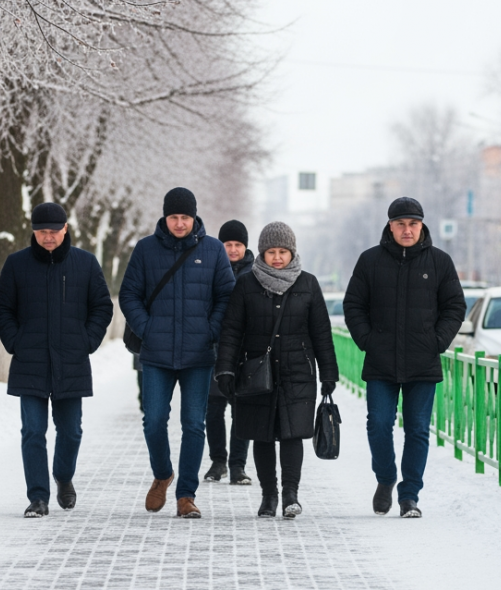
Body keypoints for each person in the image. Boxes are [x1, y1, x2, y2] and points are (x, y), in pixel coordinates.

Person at [342, 197, 465, 519]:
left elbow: (455, 307)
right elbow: (353, 304)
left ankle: (409, 495)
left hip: (423, 362)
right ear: (390, 226)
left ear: (422, 225)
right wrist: (367, 340)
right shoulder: (370, 261)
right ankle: (385, 479)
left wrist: (437, 341)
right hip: (381, 362)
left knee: (418, 429)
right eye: (400, 224)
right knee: (379, 424)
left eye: (413, 224)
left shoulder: (439, 262)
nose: (407, 230)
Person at [0, 203, 114, 518]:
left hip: (71, 361)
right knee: (33, 430)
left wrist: (87, 341)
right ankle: (37, 497)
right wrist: (15, 341)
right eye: (42, 231)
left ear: (66, 229)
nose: (48, 237)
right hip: (30, 361)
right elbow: (1, 307)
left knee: (71, 430)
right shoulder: (17, 264)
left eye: (54, 231)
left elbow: (102, 306)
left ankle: (63, 475)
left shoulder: (85, 264)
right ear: (33, 231)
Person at [119, 187, 235, 518]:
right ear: (165, 217)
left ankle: (186, 495)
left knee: (193, 424)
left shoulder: (213, 250)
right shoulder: (145, 249)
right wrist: (148, 329)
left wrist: (210, 331)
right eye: (174, 217)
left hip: (199, 355)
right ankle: (162, 474)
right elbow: (129, 295)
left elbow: (227, 295)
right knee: (153, 420)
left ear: (194, 217)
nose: (180, 223)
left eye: (185, 217)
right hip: (156, 354)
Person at [216, 222, 337, 518]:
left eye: (283, 251)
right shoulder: (247, 283)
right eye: (272, 252)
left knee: (294, 434)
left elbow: (321, 331)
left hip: (298, 371)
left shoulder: (307, 283)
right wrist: (226, 370)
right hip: (258, 373)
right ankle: (268, 496)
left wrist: (329, 373)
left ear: (292, 252)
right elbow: (232, 330)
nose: (278, 257)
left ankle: (291, 495)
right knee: (262, 435)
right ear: (262, 252)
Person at [204, 219, 255, 486]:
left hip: (245, 353)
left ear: (245, 246)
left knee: (241, 411)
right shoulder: (209, 269)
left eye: (237, 244)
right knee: (212, 410)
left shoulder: (256, 273)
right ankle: (218, 461)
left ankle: (238, 465)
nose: (232, 249)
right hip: (213, 350)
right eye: (228, 244)